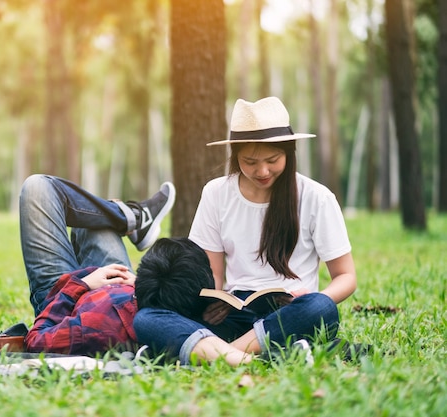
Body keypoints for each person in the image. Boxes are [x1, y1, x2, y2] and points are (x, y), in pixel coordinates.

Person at [134, 96, 357, 366]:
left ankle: (222, 354)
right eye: (250, 162)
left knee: (321, 308)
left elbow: (346, 277)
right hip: (233, 313)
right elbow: (213, 272)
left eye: (272, 160)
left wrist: (311, 296)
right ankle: (269, 356)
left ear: (289, 152)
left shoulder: (316, 197)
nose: (262, 171)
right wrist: (212, 300)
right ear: (235, 156)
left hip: (290, 312)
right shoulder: (216, 193)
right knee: (147, 318)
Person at [18, 174, 175, 355]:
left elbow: (36, 342)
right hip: (125, 285)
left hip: (64, 298)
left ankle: (131, 217)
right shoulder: (171, 304)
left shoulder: (90, 330)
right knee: (93, 216)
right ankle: (128, 216)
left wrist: (82, 284)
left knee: (37, 187)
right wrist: (143, 286)